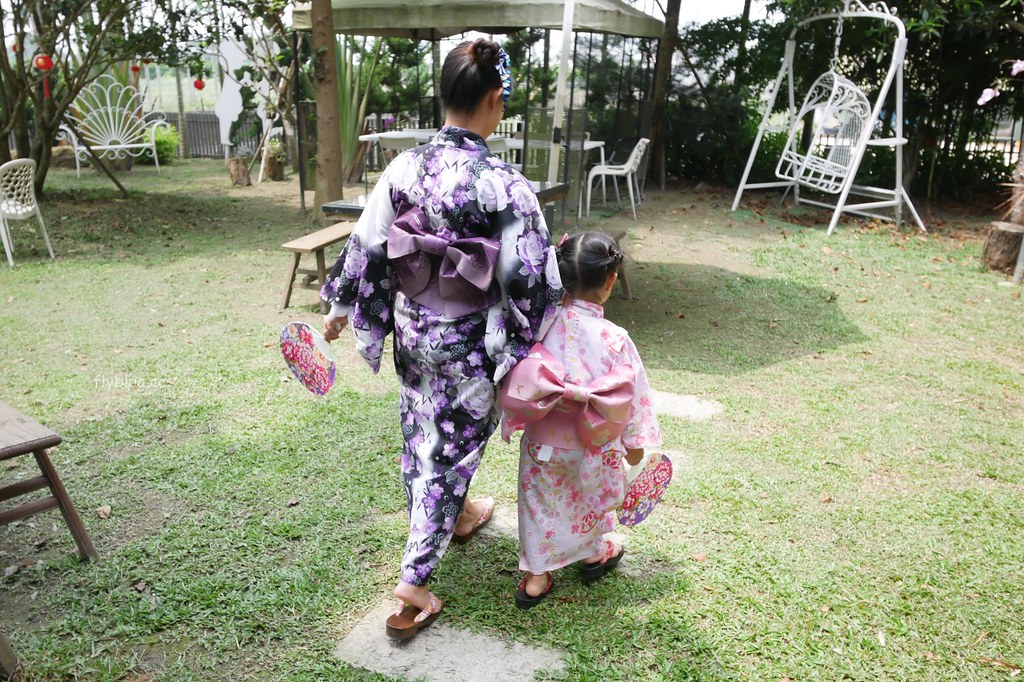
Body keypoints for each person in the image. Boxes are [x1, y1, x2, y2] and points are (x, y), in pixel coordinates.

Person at [320, 39, 562, 639]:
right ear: (495, 100)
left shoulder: (403, 167)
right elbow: (531, 277)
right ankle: (414, 579)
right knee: (447, 450)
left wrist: (343, 303)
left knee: (423, 431)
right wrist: (547, 328)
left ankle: (457, 518)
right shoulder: (504, 183)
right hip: (470, 338)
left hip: (413, 327)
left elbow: (369, 239)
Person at [499, 231, 662, 609]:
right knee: (588, 497)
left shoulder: (540, 325)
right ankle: (592, 554)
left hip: (543, 442)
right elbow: (633, 398)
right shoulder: (615, 338)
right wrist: (635, 446)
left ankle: (537, 575)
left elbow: (517, 374)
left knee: (539, 502)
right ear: (611, 281)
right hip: (596, 440)